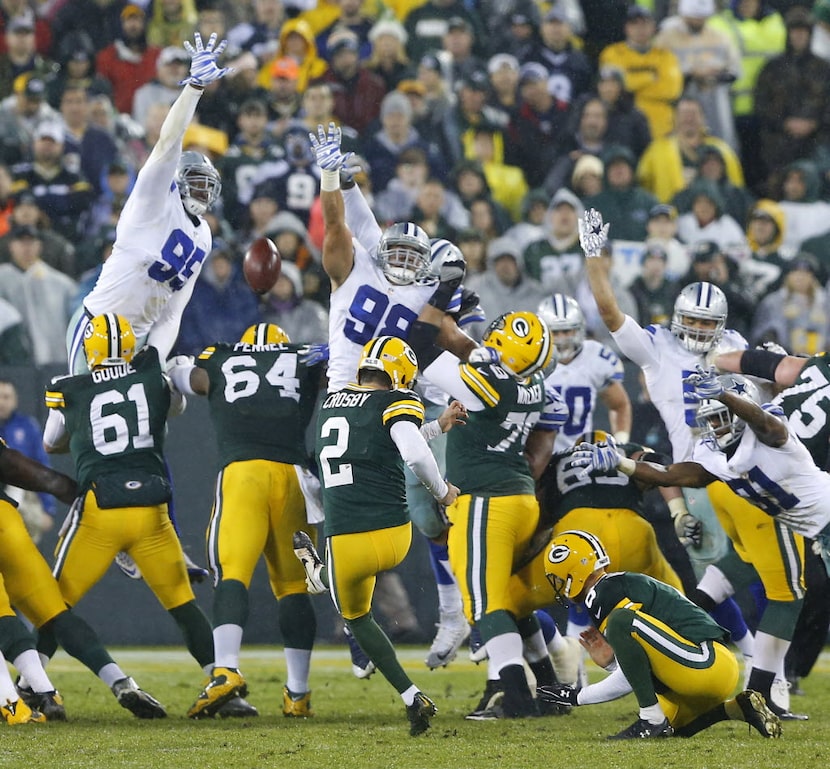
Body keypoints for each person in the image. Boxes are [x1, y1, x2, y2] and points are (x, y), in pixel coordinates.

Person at [578, 207, 805, 719]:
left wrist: (770, 362)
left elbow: (771, 394)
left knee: (733, 572)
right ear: (678, 320)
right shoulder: (659, 348)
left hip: (732, 475)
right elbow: (611, 313)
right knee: (766, 578)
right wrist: (594, 258)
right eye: (694, 322)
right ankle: (758, 679)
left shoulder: (735, 347)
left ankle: (754, 673)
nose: (701, 331)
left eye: (709, 323)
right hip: (705, 480)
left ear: (722, 325)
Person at [309, 121, 479, 670]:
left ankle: (462, 599)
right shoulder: (359, 262)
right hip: (348, 391)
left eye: (414, 255)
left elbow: (454, 341)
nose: (403, 261)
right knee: (331, 493)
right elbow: (342, 222)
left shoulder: (431, 288)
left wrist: (492, 359)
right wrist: (333, 174)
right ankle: (347, 596)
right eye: (396, 251)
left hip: (405, 388)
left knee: (414, 503)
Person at [62, 31, 231, 582]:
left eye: (210, 185)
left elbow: (174, 309)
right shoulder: (149, 200)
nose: (202, 191)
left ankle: (158, 541)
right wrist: (193, 89)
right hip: (94, 328)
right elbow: (166, 144)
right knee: (75, 435)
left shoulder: (202, 237)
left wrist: (152, 359)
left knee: (145, 443)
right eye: (195, 180)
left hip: (137, 342)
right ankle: (91, 526)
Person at [42, 313, 223, 718]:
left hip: (100, 512)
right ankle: (222, 680)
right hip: (151, 511)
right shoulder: (153, 378)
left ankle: (37, 687)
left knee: (52, 605)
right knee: (182, 603)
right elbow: (170, 406)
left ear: (88, 349)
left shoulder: (69, 388)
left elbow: (52, 443)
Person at [293, 335, 462, 736]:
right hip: (392, 536)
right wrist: (444, 491)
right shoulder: (396, 401)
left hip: (345, 543)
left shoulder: (331, 403)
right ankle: (411, 696)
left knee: (351, 609)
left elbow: (387, 439)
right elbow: (411, 448)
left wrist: (436, 428)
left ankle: (318, 575)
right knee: (357, 614)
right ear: (400, 373)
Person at [408, 303, 568, 719]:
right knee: (511, 601)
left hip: (485, 501)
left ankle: (515, 696)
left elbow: (419, 348)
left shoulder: (488, 384)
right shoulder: (533, 382)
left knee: (483, 604)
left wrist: (438, 303)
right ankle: (549, 690)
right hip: (518, 499)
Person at [168, 322, 324, 719]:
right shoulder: (304, 357)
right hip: (294, 477)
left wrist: (177, 365)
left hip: (243, 475)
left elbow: (186, 379)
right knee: (295, 586)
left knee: (232, 574)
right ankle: (298, 695)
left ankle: (226, 671)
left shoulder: (220, 358)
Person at [535, 529, 782, 740]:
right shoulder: (612, 588)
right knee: (675, 729)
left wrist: (579, 696)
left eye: (558, 577)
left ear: (573, 569)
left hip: (705, 663)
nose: (558, 585)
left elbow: (628, 678)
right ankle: (737, 709)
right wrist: (612, 664)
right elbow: (643, 670)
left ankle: (650, 719)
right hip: (701, 671)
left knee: (623, 621)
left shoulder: (605, 593)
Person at [0, 435, 166, 720]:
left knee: (2, 613)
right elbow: (10, 463)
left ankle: (12, 704)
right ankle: (51, 691)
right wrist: (64, 487)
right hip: (7, 519)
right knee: (54, 612)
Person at [536, 293, 631, 453]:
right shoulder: (531, 360)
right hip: (537, 454)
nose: (562, 339)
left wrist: (620, 442)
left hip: (580, 455)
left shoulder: (594, 356)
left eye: (567, 331)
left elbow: (619, 405)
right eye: (555, 332)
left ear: (579, 329)